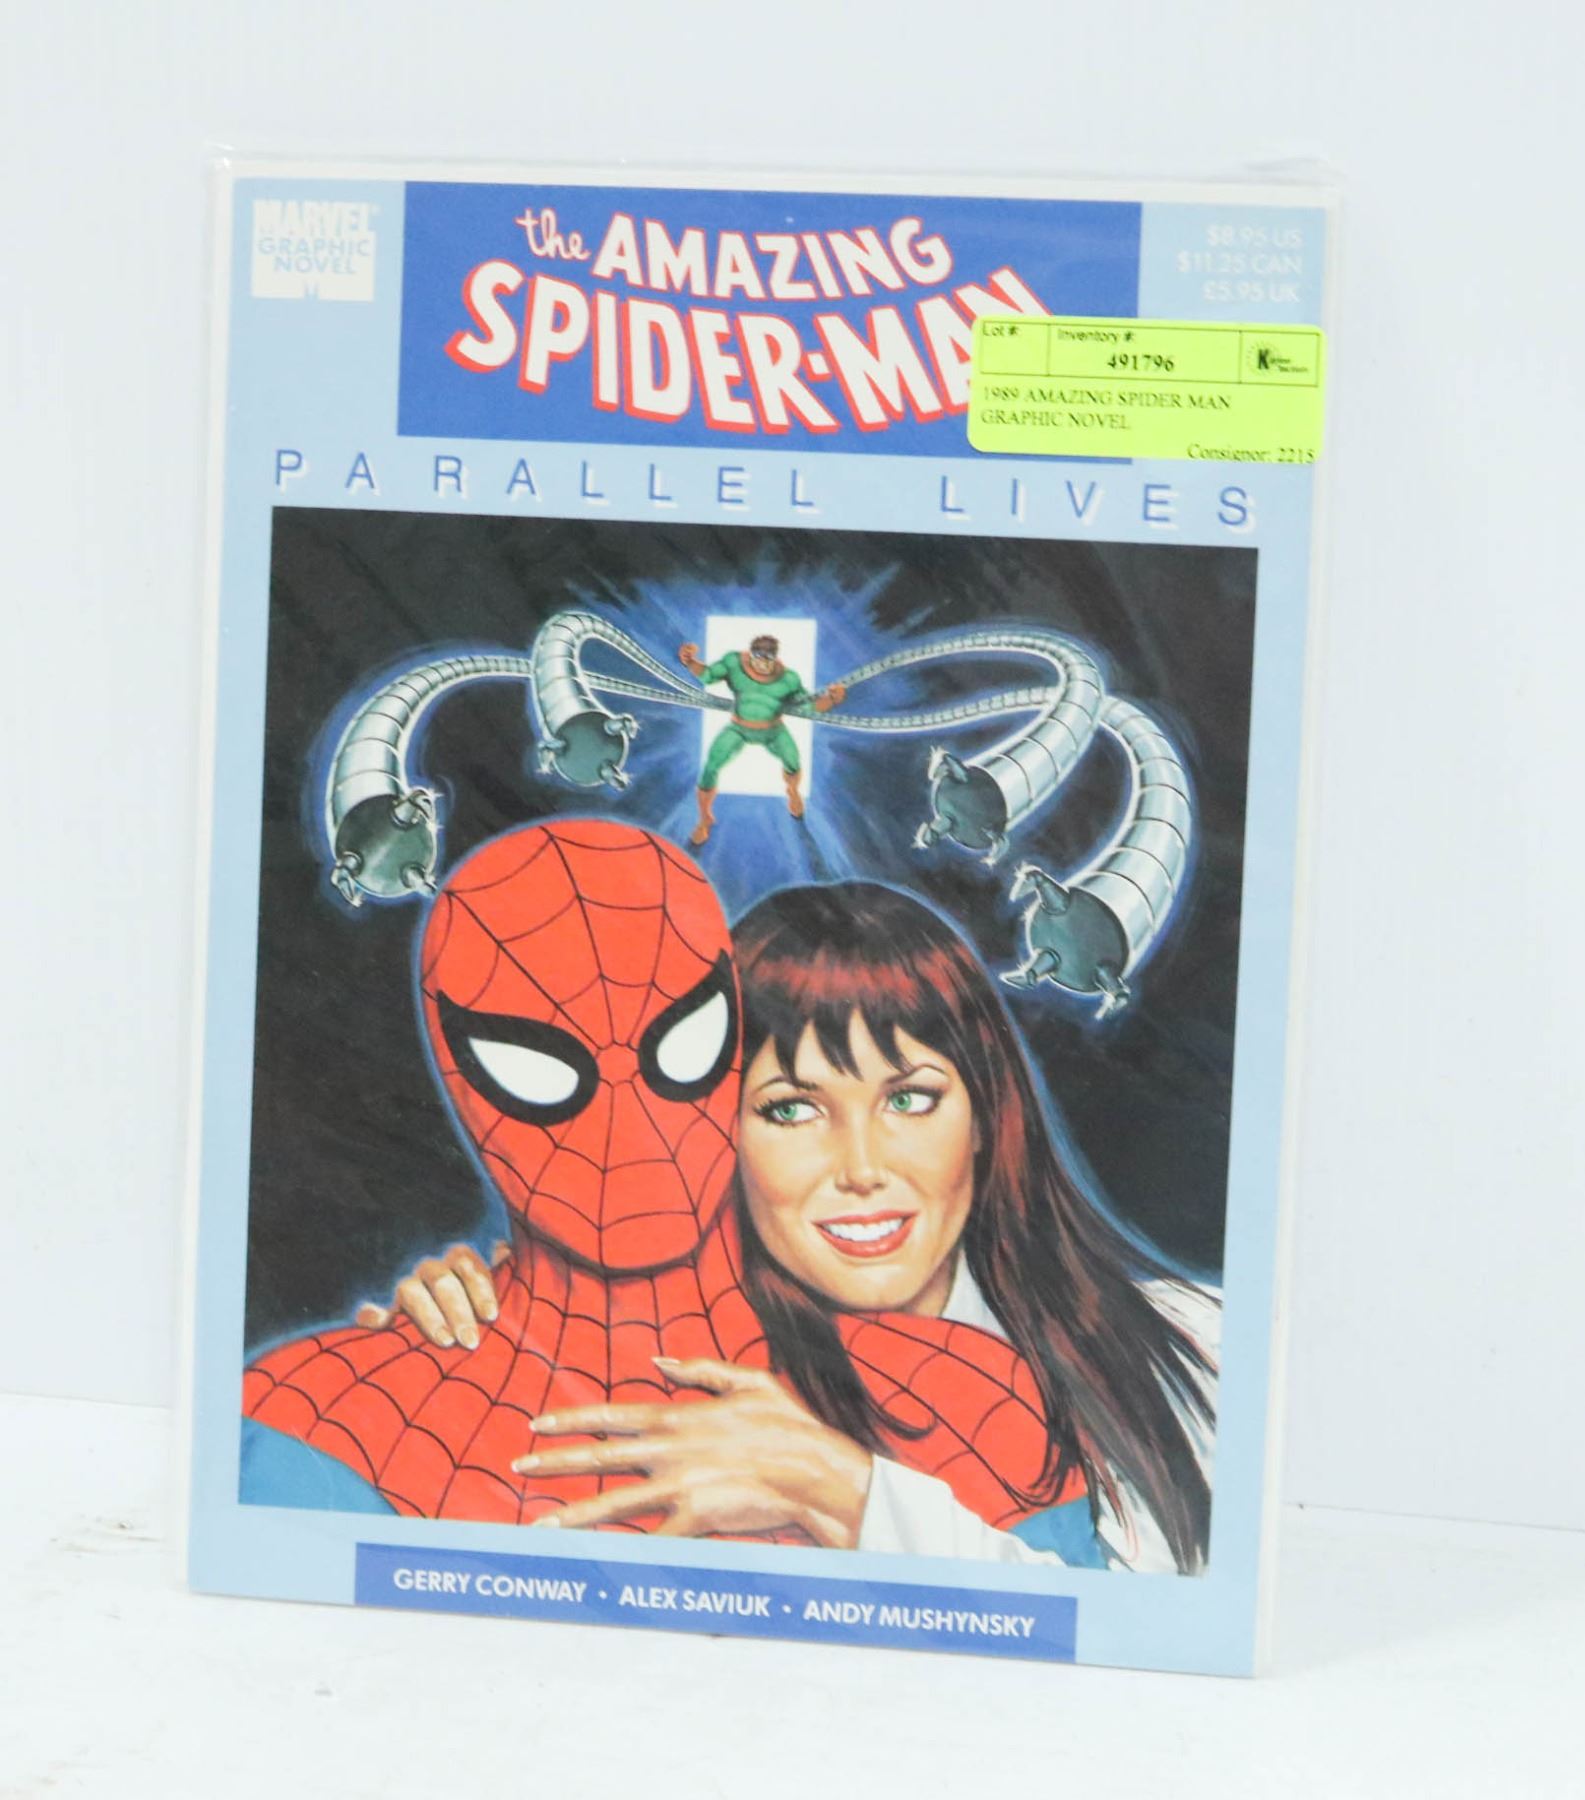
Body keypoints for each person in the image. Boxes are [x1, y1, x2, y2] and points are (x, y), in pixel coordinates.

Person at [368, 881, 1218, 1572]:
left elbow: (1138, 1641)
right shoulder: (669, 1377)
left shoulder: (1196, 1342)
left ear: (988, 1117)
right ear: (716, 1135)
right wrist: (442, 1349)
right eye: (790, 1110)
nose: (860, 1167)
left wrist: (841, 1493)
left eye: (909, 1099)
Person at [678, 634, 846, 845]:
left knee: (793, 761)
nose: (763, 665)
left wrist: (832, 699)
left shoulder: (789, 679)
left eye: (768, 660)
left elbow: (809, 706)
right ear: (751, 655)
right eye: (758, 659)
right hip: (738, 729)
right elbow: (708, 676)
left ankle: (793, 792)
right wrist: (690, 661)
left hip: (772, 731)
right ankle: (704, 819)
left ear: (775, 658)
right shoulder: (733, 663)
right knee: (711, 765)